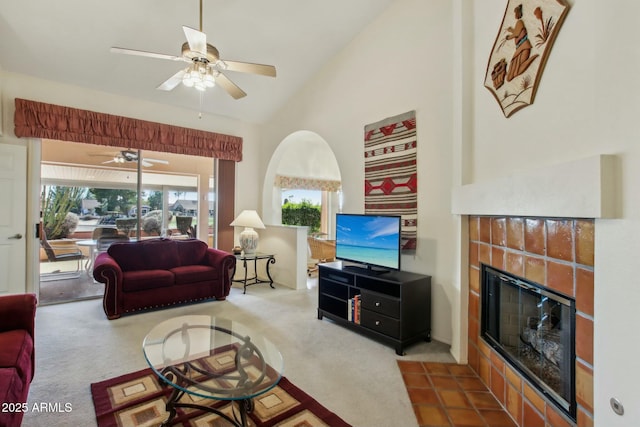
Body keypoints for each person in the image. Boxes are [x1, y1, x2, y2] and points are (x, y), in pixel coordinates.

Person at [505, 4, 539, 81]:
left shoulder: (519, 22)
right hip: (519, 48)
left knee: (515, 73)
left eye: (516, 13)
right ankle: (532, 58)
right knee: (509, 76)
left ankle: (532, 58)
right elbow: (518, 32)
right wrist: (511, 31)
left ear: (519, 13)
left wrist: (508, 37)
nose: (515, 15)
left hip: (524, 46)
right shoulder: (519, 23)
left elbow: (516, 34)